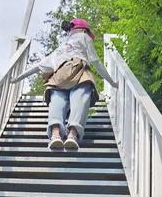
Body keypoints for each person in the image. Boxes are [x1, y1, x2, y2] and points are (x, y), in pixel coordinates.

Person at [10, 18, 118, 151]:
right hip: (80, 74)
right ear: (84, 29)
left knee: (57, 103)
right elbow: (95, 60)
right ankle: (72, 135)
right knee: (80, 101)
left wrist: (17, 78)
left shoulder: (61, 48)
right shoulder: (83, 36)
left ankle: (55, 135)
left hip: (59, 78)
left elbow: (39, 66)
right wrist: (112, 82)